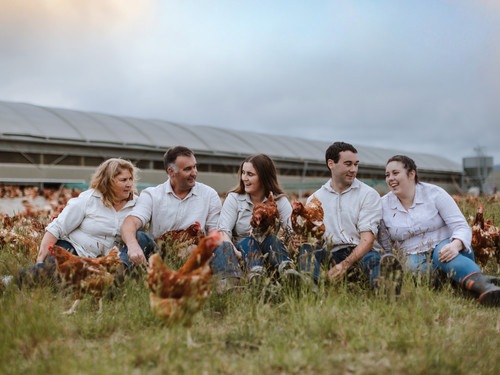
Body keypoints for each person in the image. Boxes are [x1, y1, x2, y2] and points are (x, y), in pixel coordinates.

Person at [379, 155, 500, 307]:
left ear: (411, 174)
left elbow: (461, 226)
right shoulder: (383, 205)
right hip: (411, 254)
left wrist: (455, 245)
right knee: (419, 272)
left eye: (395, 173)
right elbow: (385, 241)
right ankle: (474, 280)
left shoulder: (434, 194)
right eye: (387, 175)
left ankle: (488, 290)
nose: (390, 178)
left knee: (444, 255)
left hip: (445, 245)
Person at [18, 158, 154, 285]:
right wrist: (40, 259)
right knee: (54, 270)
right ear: (108, 181)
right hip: (74, 249)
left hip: (106, 260)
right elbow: (56, 228)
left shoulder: (136, 204)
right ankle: (11, 281)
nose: (129, 184)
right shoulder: (88, 200)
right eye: (123, 180)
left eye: (130, 179)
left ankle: (113, 280)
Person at [298, 142, 402, 293]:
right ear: (331, 164)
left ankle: (386, 288)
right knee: (307, 251)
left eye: (356, 164)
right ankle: (313, 288)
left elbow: (367, 240)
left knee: (373, 260)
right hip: (330, 254)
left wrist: (345, 265)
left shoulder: (367, 194)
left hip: (360, 253)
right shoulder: (315, 199)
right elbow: (316, 240)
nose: (353, 170)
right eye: (348, 164)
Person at [120, 146, 230, 275]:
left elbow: (215, 232)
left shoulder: (209, 194)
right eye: (188, 169)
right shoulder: (152, 194)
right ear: (171, 172)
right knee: (138, 237)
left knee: (223, 246)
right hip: (158, 254)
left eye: (195, 167)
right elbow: (130, 222)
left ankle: (227, 287)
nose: (194, 172)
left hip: (194, 253)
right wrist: (133, 247)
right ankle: (115, 280)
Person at [216, 154, 297, 283]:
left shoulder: (279, 200)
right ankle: (256, 275)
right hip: (242, 251)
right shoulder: (234, 199)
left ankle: (288, 272)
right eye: (243, 173)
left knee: (271, 239)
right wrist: (235, 252)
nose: (244, 178)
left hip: (270, 250)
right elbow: (223, 232)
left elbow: (292, 231)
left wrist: (294, 244)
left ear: (264, 177)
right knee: (249, 241)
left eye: (250, 174)